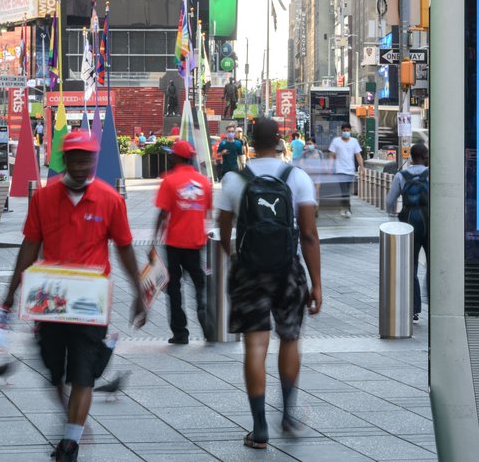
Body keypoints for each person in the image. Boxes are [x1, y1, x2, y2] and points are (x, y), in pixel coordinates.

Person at [0, 131, 146, 462]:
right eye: (75, 159)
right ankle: (73, 420)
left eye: (87, 159)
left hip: (90, 304)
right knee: (55, 371)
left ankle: (71, 442)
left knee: (82, 374)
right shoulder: (44, 198)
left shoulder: (110, 199)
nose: (81, 165)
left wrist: (139, 292)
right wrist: (11, 291)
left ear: (94, 160)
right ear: (65, 160)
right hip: (50, 301)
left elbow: (124, 248)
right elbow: (30, 246)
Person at [216, 118, 321, 450]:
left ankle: (259, 428)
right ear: (278, 141)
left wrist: (236, 258)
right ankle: (288, 413)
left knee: (255, 346)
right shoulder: (297, 178)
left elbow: (224, 233)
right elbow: (308, 234)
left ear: (249, 142)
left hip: (249, 273)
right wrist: (316, 283)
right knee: (290, 338)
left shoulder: (234, 180)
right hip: (288, 270)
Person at [153, 140, 213, 345]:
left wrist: (153, 239)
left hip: (174, 243)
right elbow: (207, 211)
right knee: (199, 283)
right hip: (196, 241)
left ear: (177, 157)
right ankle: (204, 310)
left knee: (174, 288)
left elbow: (163, 213)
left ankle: (180, 332)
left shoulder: (169, 181)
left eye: (172, 154)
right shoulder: (204, 182)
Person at [385, 141, 430, 322]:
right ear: (425, 156)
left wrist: (391, 214)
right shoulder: (430, 174)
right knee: (433, 265)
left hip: (408, 223)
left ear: (411, 156)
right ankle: (436, 304)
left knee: (410, 267)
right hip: (429, 222)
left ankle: (414, 309)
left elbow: (390, 201)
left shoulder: (401, 175)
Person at [327, 123, 363, 218]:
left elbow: (358, 155)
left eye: (348, 130)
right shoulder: (336, 141)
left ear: (350, 131)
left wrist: (362, 167)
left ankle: (344, 207)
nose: (346, 132)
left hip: (350, 170)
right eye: (344, 130)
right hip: (340, 170)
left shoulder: (354, 142)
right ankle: (348, 208)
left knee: (346, 190)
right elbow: (332, 155)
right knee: (344, 191)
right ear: (341, 131)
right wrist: (330, 168)